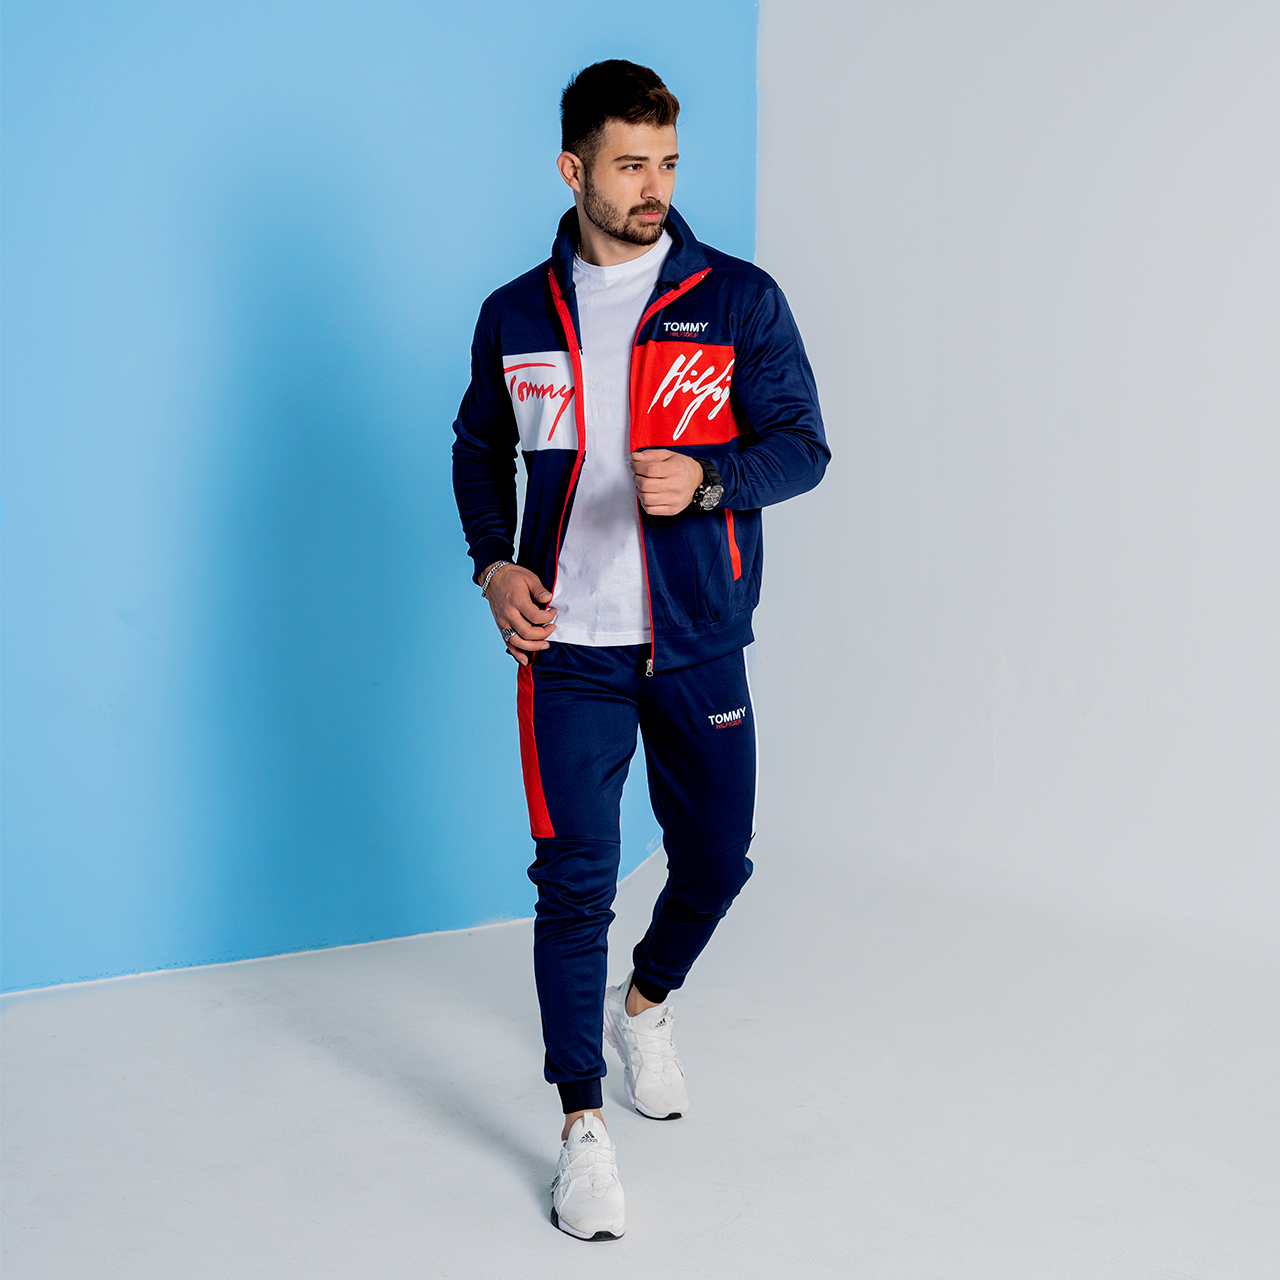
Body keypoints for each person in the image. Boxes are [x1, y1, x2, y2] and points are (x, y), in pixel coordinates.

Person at [451, 59, 828, 1241]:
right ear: (573, 170)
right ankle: (579, 1124)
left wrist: (708, 478)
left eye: (665, 162)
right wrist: (492, 564)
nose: (652, 185)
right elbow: (476, 448)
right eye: (628, 164)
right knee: (574, 879)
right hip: (564, 648)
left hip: (696, 638)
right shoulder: (516, 313)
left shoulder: (735, 298)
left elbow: (802, 445)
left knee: (716, 855)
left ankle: (646, 1000)